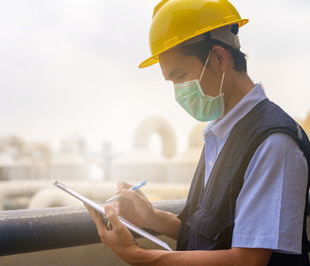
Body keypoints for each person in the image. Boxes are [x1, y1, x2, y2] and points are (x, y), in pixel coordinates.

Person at [85, 0, 310, 265]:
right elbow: (212, 238)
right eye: (172, 82)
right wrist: (151, 217)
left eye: (180, 76)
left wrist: (140, 256)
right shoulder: (220, 133)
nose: (179, 92)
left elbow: (247, 260)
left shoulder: (273, 141)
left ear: (218, 58)